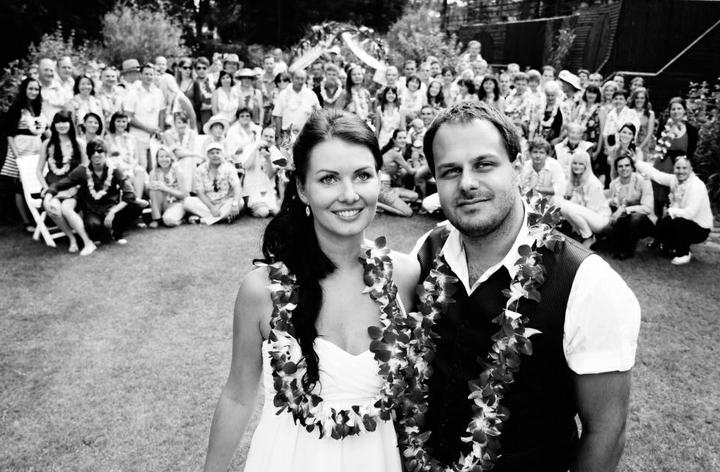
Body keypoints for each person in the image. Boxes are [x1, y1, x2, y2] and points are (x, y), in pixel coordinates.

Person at [411, 101, 639, 472]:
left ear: (517, 167)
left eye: (484, 164)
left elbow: (606, 432)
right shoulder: (427, 251)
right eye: (450, 171)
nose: (467, 183)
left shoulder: (588, 283)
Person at [203, 109, 417, 472]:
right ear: (302, 188)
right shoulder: (262, 289)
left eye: (363, 175)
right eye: (329, 178)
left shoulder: (405, 275)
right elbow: (238, 395)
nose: (349, 194)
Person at [43, 138, 143, 246]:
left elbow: (129, 193)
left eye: (100, 151)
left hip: (111, 207)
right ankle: (106, 233)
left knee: (136, 207)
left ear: (105, 153)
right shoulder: (82, 170)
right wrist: (47, 198)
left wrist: (113, 212)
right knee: (94, 227)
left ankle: (117, 232)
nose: (96, 154)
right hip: (92, 210)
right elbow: (59, 184)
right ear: (89, 155)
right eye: (92, 152)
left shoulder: (114, 169)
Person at [637, 157, 712, 265]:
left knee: (676, 221)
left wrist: (671, 211)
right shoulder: (674, 179)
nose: (681, 171)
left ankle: (684, 253)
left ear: (691, 169)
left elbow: (690, 213)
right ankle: (669, 244)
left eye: (684, 168)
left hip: (700, 228)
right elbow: (656, 175)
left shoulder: (697, 186)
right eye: (678, 168)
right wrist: (636, 162)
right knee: (661, 224)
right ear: (674, 169)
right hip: (683, 220)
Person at [36, 111, 91, 253]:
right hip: (53, 186)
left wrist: (76, 188)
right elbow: (39, 171)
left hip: (73, 186)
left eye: (65, 122)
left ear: (70, 124)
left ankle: (87, 242)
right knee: (54, 208)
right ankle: (72, 238)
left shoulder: (79, 143)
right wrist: (46, 188)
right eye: (58, 122)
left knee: (67, 208)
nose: (62, 125)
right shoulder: (47, 144)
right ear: (54, 125)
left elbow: (86, 169)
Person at [1, 77, 46, 232]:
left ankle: (39, 218)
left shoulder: (38, 108)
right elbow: (9, 134)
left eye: (36, 89)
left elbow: (45, 130)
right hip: (20, 149)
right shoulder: (17, 108)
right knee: (20, 186)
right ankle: (26, 221)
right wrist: (16, 155)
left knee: (35, 182)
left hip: (36, 148)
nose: (34, 92)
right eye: (30, 89)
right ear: (24, 90)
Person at [651, 97, 698, 219]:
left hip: (680, 168)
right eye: (673, 109)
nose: (676, 111)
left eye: (679, 108)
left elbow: (691, 153)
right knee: (659, 200)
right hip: (663, 166)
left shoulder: (691, 130)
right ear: (669, 111)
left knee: (678, 200)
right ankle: (659, 224)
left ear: (684, 110)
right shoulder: (664, 127)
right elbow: (659, 146)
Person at [554, 151, 611, 248]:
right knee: (557, 200)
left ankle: (588, 237)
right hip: (585, 217)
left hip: (599, 219)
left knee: (566, 206)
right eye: (575, 163)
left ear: (586, 166)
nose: (577, 166)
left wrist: (577, 201)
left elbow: (592, 209)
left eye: (581, 164)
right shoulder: (572, 181)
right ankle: (579, 233)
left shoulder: (593, 183)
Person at [605, 152, 655, 259]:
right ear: (616, 169)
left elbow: (648, 208)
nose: (624, 169)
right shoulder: (613, 184)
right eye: (620, 166)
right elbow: (613, 202)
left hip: (644, 220)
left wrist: (625, 209)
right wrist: (612, 202)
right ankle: (615, 245)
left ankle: (628, 250)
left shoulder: (643, 181)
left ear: (632, 167)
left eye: (627, 165)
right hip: (623, 219)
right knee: (608, 227)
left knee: (635, 218)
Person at [183, 142, 243, 225]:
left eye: (218, 153)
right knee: (187, 202)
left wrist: (235, 203)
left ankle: (201, 220)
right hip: (208, 203)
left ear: (222, 154)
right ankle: (224, 217)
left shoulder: (229, 168)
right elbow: (200, 192)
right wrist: (212, 208)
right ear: (208, 155)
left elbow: (237, 186)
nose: (215, 155)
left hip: (225, 202)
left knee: (240, 202)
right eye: (212, 153)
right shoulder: (200, 169)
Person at [123, 63, 166, 171]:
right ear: (140, 75)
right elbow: (128, 116)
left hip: (154, 137)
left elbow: (162, 112)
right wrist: (146, 128)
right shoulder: (132, 93)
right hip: (137, 136)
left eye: (151, 74)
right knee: (141, 167)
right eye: (146, 74)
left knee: (156, 167)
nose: (149, 77)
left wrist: (160, 130)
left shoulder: (158, 93)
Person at [105, 112, 148, 202]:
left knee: (140, 171)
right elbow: (108, 157)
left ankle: (138, 200)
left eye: (124, 121)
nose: (121, 124)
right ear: (113, 122)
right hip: (117, 166)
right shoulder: (108, 138)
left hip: (131, 165)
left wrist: (131, 167)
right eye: (118, 121)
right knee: (126, 175)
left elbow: (136, 157)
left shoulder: (132, 138)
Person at [242, 127, 283, 217]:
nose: (268, 139)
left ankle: (266, 205)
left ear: (274, 139)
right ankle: (250, 207)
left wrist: (268, 159)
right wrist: (256, 150)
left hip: (268, 190)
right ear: (261, 137)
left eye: (271, 137)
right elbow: (246, 166)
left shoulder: (276, 152)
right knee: (264, 212)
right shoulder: (249, 148)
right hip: (252, 191)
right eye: (266, 136)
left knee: (277, 212)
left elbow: (270, 175)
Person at [272, 69, 320, 145]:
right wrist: (278, 136)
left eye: (302, 79)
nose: (299, 81)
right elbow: (278, 116)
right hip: (287, 135)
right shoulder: (283, 94)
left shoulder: (311, 95)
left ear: (305, 80)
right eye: (297, 78)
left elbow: (318, 115)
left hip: (305, 135)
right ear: (292, 79)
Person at [147, 146, 187, 228]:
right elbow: (152, 195)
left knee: (168, 221)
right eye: (161, 156)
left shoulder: (177, 170)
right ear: (157, 159)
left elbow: (184, 195)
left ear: (171, 158)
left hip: (177, 203)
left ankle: (182, 219)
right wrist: (149, 186)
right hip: (163, 203)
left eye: (167, 156)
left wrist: (165, 188)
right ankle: (156, 219)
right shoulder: (153, 172)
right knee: (154, 189)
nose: (164, 159)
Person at [163, 111, 201, 194]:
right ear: (174, 123)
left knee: (188, 159)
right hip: (171, 160)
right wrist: (196, 154)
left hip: (188, 160)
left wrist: (190, 154)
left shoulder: (191, 133)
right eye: (179, 122)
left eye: (184, 122)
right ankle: (185, 191)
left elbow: (190, 150)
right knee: (188, 159)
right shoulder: (168, 134)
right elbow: (177, 153)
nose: (182, 125)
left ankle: (186, 191)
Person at [630, 87, 655, 154]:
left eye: (642, 98)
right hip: (629, 146)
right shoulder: (629, 112)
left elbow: (649, 134)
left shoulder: (650, 114)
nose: (639, 100)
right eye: (637, 98)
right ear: (634, 99)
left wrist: (639, 148)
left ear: (645, 100)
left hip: (643, 147)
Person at [193, 57, 215, 130]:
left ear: (208, 69)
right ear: (195, 70)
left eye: (204, 68)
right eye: (199, 68)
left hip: (214, 113)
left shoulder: (213, 81)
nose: (201, 70)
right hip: (199, 115)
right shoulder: (193, 83)